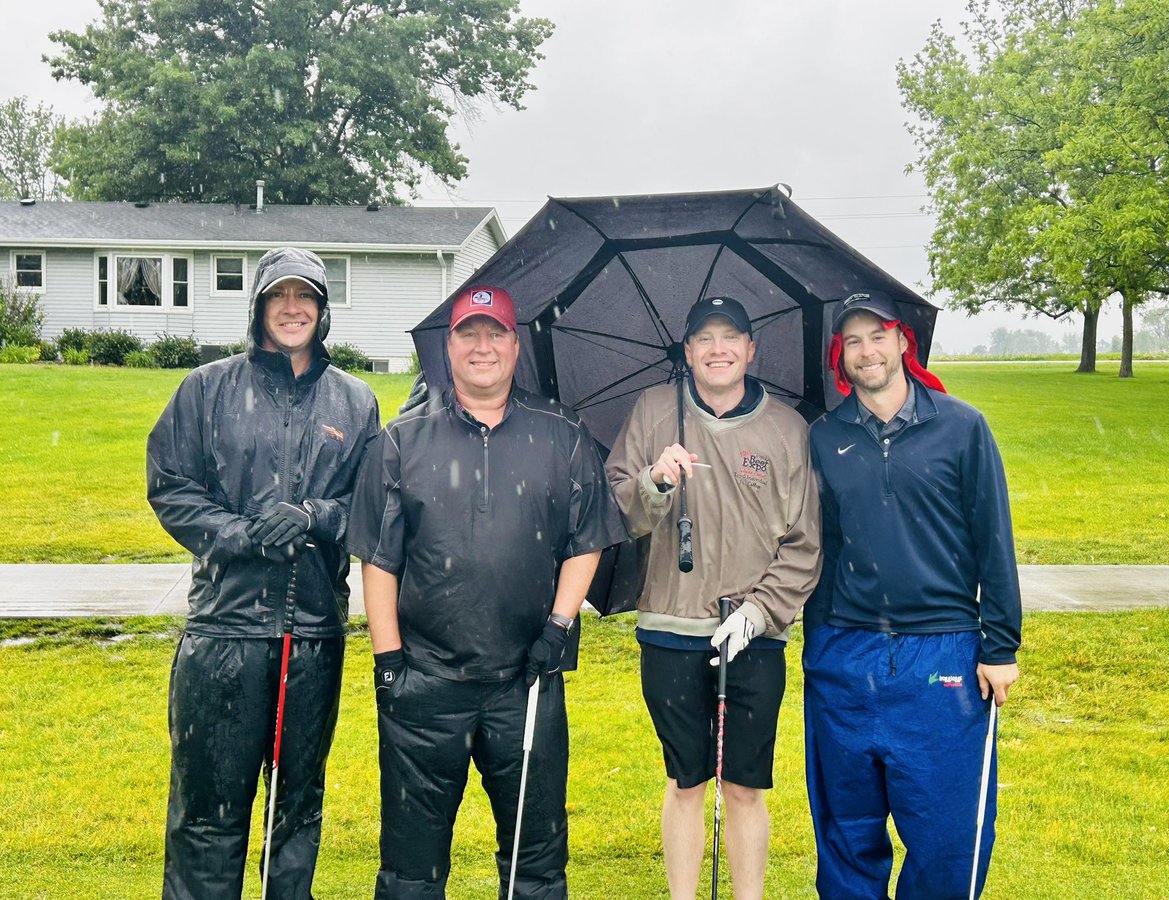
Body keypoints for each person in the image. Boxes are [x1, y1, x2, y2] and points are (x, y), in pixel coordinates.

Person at [345, 285, 628, 899]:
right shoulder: (401, 440)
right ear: (447, 348)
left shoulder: (562, 434)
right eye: (468, 333)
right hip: (424, 686)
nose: (482, 346)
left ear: (514, 344)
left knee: (535, 862)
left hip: (526, 684)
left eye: (494, 332)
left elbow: (587, 538)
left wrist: (559, 626)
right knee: (410, 870)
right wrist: (389, 664)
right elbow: (378, 558)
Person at [147, 247, 380, 899]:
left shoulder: (355, 402)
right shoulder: (207, 389)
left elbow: (373, 503)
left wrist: (315, 516)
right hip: (225, 633)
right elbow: (171, 485)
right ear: (258, 306)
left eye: (304, 296)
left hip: (311, 637)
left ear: (323, 310)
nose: (292, 308)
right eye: (279, 295)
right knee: (208, 811)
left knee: (297, 810)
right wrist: (242, 535)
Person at [804, 290, 1022, 899]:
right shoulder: (824, 438)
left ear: (904, 342)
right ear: (839, 357)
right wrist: (818, 646)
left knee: (946, 835)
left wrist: (1000, 646)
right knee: (847, 831)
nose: (866, 350)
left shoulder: (961, 426)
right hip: (845, 654)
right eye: (852, 341)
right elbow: (819, 547)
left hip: (943, 655)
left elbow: (993, 541)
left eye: (878, 336)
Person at [606, 296, 822, 900]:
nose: (718, 349)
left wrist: (759, 611)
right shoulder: (654, 411)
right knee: (686, 779)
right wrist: (656, 480)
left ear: (752, 350)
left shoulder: (787, 429)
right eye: (705, 339)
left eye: (732, 338)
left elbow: (805, 543)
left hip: (755, 634)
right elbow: (616, 508)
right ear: (688, 351)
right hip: (671, 629)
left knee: (746, 785)